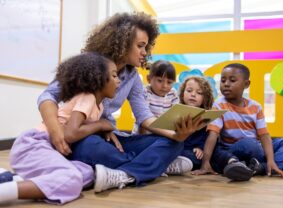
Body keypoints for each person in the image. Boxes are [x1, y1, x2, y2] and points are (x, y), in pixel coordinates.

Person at [37, 12, 203, 193]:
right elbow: (48, 96)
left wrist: (175, 135)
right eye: (140, 46)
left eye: (146, 47)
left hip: (113, 138)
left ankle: (126, 172)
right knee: (92, 147)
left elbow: (145, 117)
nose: (144, 53)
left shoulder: (132, 77)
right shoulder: (88, 65)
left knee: (175, 144)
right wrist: (55, 129)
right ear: (122, 43)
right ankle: (153, 166)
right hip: (83, 136)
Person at [0, 52, 120, 204]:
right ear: (98, 79)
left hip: (46, 149)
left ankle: (11, 179)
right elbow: (71, 134)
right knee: (73, 178)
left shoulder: (99, 105)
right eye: (114, 76)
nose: (119, 81)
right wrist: (101, 124)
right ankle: (4, 192)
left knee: (88, 172)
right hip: (33, 145)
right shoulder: (88, 98)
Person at [194, 63, 283, 179]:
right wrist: (205, 162)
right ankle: (282, 164)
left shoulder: (256, 106)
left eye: (232, 80)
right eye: (223, 81)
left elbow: (264, 135)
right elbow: (213, 134)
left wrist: (270, 159)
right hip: (236, 148)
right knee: (249, 144)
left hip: (257, 146)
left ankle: (264, 167)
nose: (226, 84)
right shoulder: (219, 105)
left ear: (246, 84)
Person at [178, 77, 253, 181]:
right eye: (189, 91)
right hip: (185, 150)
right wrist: (195, 149)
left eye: (199, 93)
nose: (193, 94)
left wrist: (201, 148)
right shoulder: (178, 112)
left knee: (217, 152)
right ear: (182, 93)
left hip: (205, 151)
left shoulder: (207, 114)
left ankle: (233, 163)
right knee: (189, 155)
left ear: (205, 98)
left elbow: (209, 137)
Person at [132, 60, 179, 135]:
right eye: (160, 81)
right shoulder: (145, 93)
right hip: (145, 133)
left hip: (165, 133)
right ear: (149, 79)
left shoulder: (172, 94)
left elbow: (176, 113)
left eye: (169, 82)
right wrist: (142, 138)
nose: (165, 86)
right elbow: (143, 120)